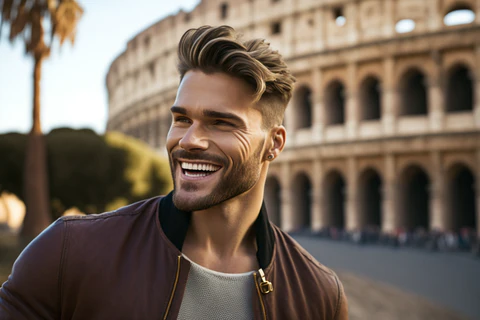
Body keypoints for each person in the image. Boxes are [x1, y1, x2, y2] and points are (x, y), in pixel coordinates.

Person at [0, 25, 348, 320]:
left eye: (221, 123)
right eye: (181, 119)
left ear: (274, 143)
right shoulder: (69, 251)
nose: (189, 140)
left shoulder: (319, 296)